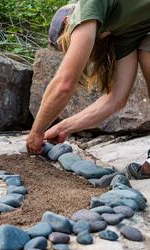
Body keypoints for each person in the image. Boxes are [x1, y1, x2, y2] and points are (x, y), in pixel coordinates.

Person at [26, 0, 150, 179]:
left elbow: (65, 84)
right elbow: (115, 98)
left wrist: (36, 132)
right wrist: (63, 128)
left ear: (69, 21)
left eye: (71, 41)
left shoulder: (88, 5)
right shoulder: (120, 33)